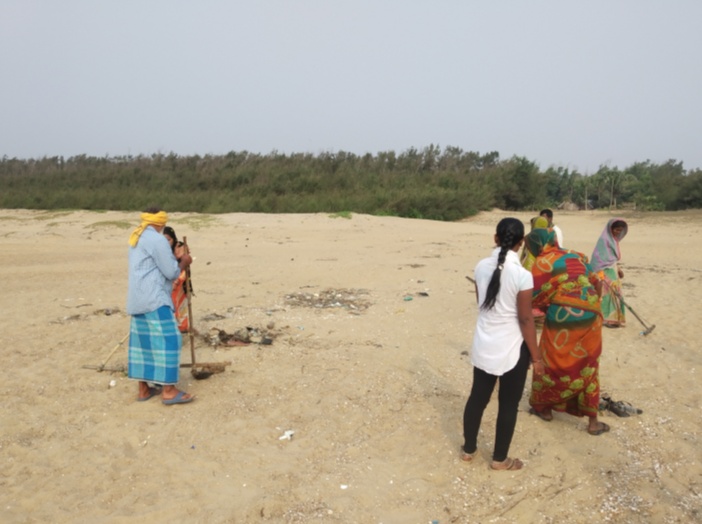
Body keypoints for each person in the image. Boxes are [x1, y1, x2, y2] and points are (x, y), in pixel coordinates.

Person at [462, 218, 543, 471]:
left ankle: (468, 450)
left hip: (485, 342)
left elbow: (483, 305)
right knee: (508, 404)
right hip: (512, 347)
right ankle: (499, 459)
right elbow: (526, 318)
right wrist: (537, 357)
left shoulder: (480, 267)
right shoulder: (522, 275)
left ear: (495, 238)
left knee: (477, 398)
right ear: (521, 244)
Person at [525, 228, 610, 435]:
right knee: (588, 364)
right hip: (592, 313)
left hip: (563, 316)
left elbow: (534, 297)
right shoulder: (577, 255)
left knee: (552, 360)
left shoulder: (542, 263)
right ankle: (592, 422)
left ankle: (545, 409)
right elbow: (596, 282)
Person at [127, 208, 194, 405]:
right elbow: (172, 272)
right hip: (154, 298)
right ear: (161, 222)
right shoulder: (157, 240)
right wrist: (184, 261)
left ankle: (144, 388)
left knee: (143, 343)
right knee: (170, 340)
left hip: (137, 298)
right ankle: (169, 391)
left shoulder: (136, 237)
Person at [590, 218, 628, 328]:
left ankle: (615, 318)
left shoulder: (613, 240)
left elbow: (612, 258)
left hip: (612, 269)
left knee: (616, 294)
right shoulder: (604, 240)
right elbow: (599, 259)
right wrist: (601, 273)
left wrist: (618, 269)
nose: (618, 232)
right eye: (616, 230)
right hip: (604, 271)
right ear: (611, 228)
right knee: (607, 294)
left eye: (620, 230)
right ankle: (607, 319)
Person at [163, 226, 190, 334]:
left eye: (169, 239)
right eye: (164, 239)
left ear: (173, 239)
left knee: (180, 302)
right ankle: (172, 327)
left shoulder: (180, 247)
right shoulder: (161, 249)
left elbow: (185, 264)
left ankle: (182, 327)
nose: (166, 242)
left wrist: (178, 280)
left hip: (180, 278)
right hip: (169, 279)